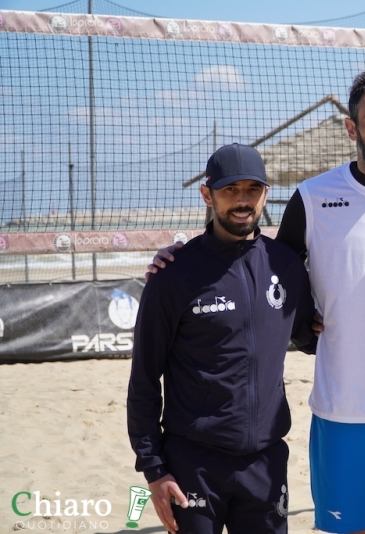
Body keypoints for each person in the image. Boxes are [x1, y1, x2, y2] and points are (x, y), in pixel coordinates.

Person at [148, 71, 365, 534]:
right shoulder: (314, 197)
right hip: (341, 407)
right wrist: (179, 255)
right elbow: (266, 261)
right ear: (352, 128)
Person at [127, 143, 318, 534]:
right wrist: (154, 469)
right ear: (207, 195)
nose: (243, 201)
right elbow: (144, 380)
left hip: (265, 462)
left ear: (266, 194)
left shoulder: (286, 265)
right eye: (231, 190)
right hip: (192, 465)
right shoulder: (173, 275)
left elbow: (311, 337)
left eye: (253, 189)